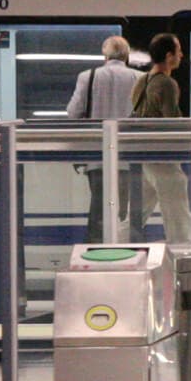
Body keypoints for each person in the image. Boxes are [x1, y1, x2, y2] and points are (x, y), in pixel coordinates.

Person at [65, 35, 141, 242]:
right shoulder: (139, 78)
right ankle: (125, 248)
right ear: (126, 56)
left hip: (96, 155)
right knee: (125, 209)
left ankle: (96, 248)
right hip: (129, 157)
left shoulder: (87, 77)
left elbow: (73, 112)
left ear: (105, 56)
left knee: (98, 206)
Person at [129, 32, 191, 244]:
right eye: (178, 50)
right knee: (177, 211)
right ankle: (182, 252)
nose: (182, 55)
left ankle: (116, 244)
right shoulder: (166, 83)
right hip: (162, 156)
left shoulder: (142, 80)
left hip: (144, 156)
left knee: (138, 214)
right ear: (168, 56)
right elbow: (172, 122)